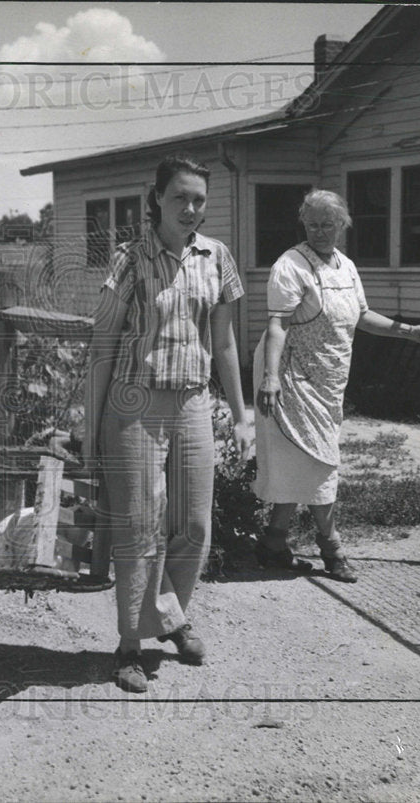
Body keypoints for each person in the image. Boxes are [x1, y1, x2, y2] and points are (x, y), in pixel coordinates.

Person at [85, 154, 251, 693]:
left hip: (194, 403)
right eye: (180, 197)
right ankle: (130, 643)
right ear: (156, 198)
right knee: (139, 529)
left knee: (195, 525)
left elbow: (224, 342)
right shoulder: (130, 259)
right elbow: (104, 342)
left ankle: (171, 615)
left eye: (199, 199)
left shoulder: (217, 256)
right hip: (133, 405)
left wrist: (242, 415)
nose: (190, 208)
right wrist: (91, 425)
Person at [252, 189, 420, 583]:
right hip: (290, 373)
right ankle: (332, 547)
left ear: (342, 225)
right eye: (313, 224)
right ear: (304, 223)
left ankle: (273, 542)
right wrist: (270, 378)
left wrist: (412, 333)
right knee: (320, 460)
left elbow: (362, 316)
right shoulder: (290, 265)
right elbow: (277, 325)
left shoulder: (346, 267)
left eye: (328, 224)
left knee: (300, 460)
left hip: (330, 378)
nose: (320, 231)